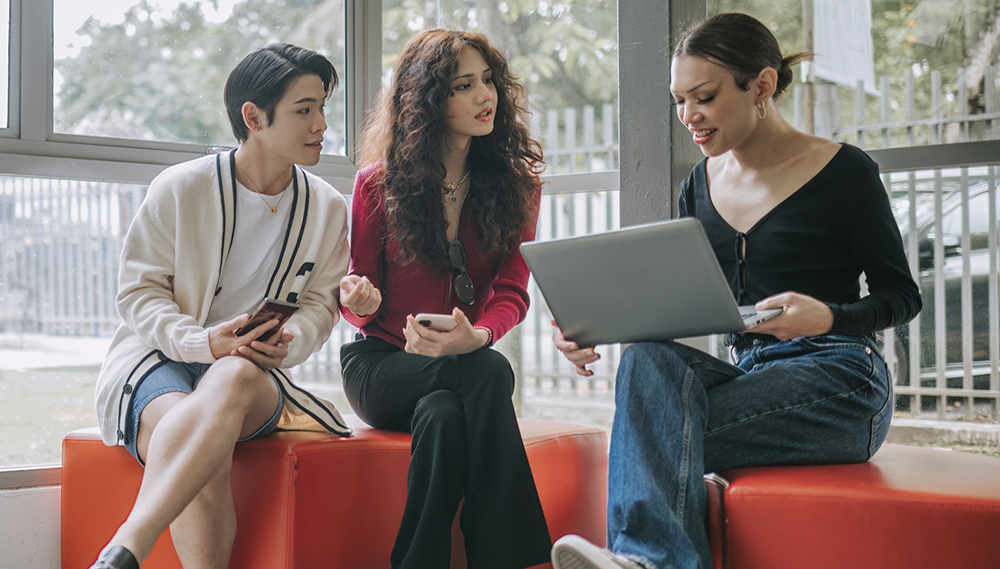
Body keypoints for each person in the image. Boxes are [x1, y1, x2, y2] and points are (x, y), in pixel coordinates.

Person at [549, 13, 922, 569]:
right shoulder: (697, 186)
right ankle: (651, 561)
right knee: (647, 361)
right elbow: (677, 304)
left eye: (703, 97)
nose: (687, 117)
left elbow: (902, 295)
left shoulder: (846, 172)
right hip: (752, 376)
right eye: (679, 100)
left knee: (652, 440)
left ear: (763, 86)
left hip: (842, 379)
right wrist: (593, 327)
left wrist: (828, 318)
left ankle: (648, 561)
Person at [90, 43, 355, 569]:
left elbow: (322, 307)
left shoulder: (326, 207)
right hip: (159, 361)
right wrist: (201, 342)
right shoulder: (181, 188)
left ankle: (128, 544)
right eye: (305, 110)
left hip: (250, 374)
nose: (322, 124)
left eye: (323, 106)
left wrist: (289, 341)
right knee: (198, 447)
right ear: (253, 117)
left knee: (230, 377)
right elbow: (138, 294)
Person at [337, 29, 552, 569]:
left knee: (443, 414)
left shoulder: (518, 186)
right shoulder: (375, 185)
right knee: (491, 374)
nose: (485, 96)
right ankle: (517, 560)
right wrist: (360, 302)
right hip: (382, 367)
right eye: (463, 85)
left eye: (488, 81)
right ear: (429, 100)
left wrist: (476, 336)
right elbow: (355, 292)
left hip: (458, 365)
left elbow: (511, 290)